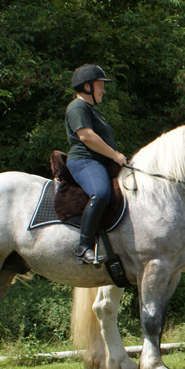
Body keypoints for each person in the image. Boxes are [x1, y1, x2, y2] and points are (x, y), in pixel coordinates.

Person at [65, 64, 127, 264]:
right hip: (84, 160)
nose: (103, 90)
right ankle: (83, 246)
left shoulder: (92, 110)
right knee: (101, 192)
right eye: (100, 85)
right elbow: (87, 136)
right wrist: (115, 155)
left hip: (98, 161)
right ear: (87, 87)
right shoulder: (78, 107)